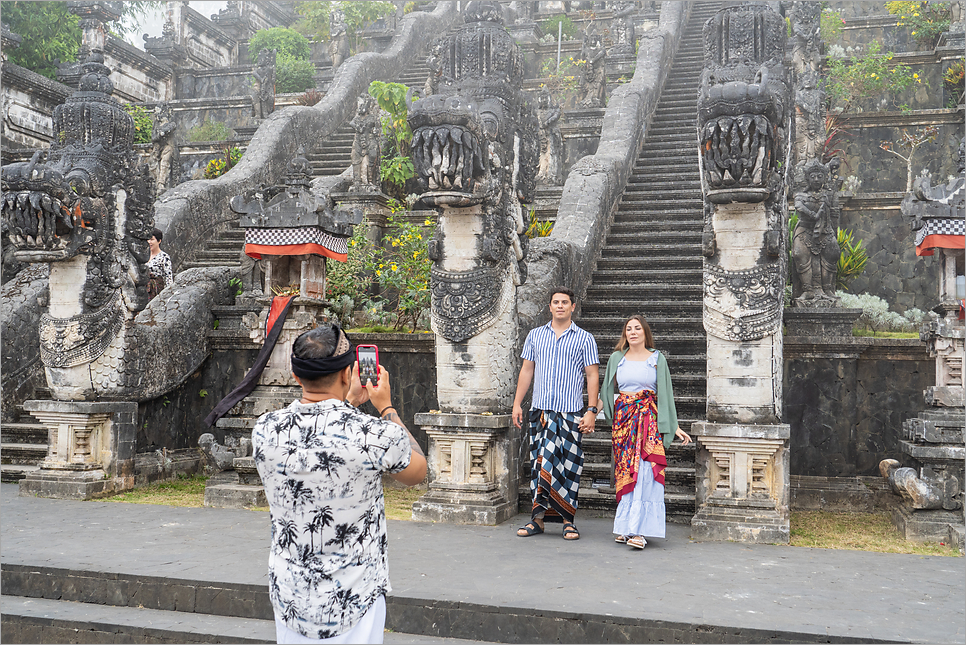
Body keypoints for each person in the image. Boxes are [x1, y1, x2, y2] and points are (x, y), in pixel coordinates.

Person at [251, 323, 427, 644]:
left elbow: (323, 430)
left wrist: (349, 406)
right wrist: (385, 406)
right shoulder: (371, 434)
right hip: (354, 596)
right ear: (348, 374)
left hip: (291, 595)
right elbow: (416, 471)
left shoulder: (265, 429)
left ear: (295, 376)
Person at [597, 315, 691, 550]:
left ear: (645, 332)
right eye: (628, 328)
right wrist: (591, 413)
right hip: (624, 423)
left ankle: (639, 530)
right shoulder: (617, 359)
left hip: (648, 421)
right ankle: (624, 526)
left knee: (646, 472)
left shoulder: (657, 359)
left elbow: (666, 395)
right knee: (627, 472)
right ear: (624, 334)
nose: (633, 332)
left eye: (637, 328)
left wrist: (673, 426)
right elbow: (606, 391)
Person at [512, 288, 600, 541]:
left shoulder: (585, 338)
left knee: (570, 467)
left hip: (571, 414)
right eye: (556, 302)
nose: (560, 306)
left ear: (573, 306)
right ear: (549, 306)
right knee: (542, 466)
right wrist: (517, 404)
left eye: (565, 302)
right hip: (541, 413)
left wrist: (591, 410)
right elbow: (527, 370)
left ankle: (568, 521)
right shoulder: (536, 336)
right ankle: (537, 520)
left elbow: (592, 375)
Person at [146, 227, 173, 300]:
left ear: (159, 241)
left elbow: (168, 278)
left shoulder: (164, 257)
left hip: (156, 290)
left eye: (152, 239)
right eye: (148, 239)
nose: (149, 242)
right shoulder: (144, 256)